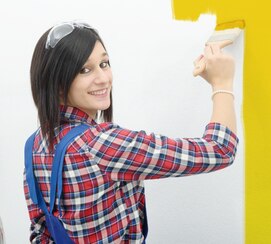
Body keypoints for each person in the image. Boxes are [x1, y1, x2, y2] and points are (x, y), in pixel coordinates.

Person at [24, 21, 238, 243]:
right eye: (85, 70)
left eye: (104, 63)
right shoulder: (101, 145)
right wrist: (222, 83)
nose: (103, 78)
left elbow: (41, 232)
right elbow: (220, 150)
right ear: (58, 83)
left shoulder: (34, 145)